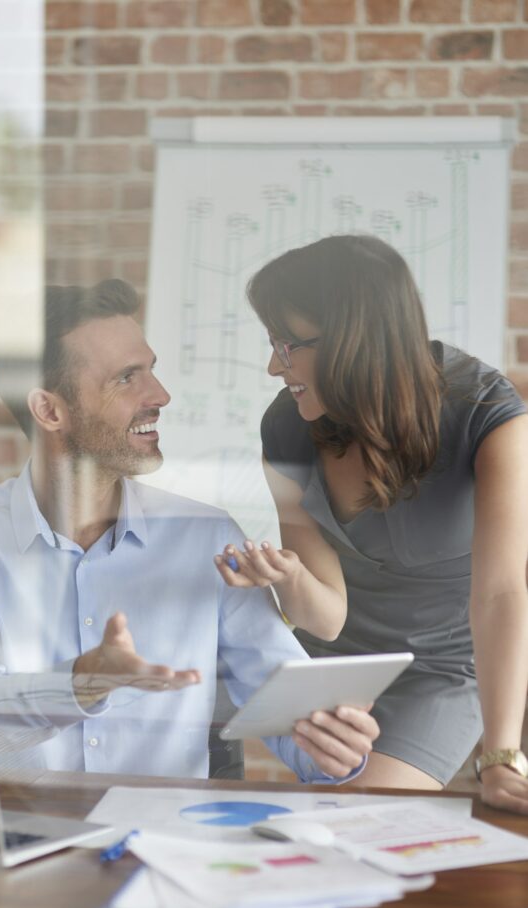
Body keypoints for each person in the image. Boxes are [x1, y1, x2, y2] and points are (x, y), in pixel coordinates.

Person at [0, 279, 378, 782]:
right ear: (49, 410)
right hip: (21, 841)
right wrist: (79, 684)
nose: (160, 395)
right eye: (126, 378)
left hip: (166, 843)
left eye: (151, 369)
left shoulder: (206, 537)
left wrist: (333, 746)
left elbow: (288, 711)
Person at [215, 234, 528, 815]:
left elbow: (502, 594)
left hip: (439, 666)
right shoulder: (288, 427)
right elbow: (326, 619)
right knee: (319, 828)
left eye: (286, 346)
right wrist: (287, 579)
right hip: (330, 666)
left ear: (350, 340)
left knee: (356, 817)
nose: (271, 366)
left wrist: (502, 752)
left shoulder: (489, 419)